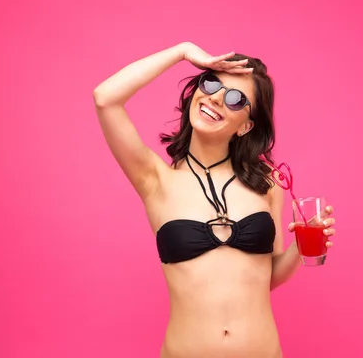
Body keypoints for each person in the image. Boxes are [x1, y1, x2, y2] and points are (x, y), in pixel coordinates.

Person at [93, 42, 336, 358]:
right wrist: (182, 52)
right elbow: (105, 99)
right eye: (211, 83)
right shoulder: (155, 179)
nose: (217, 98)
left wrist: (300, 248)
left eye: (236, 99)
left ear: (246, 126)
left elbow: (268, 277)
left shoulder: (268, 182)